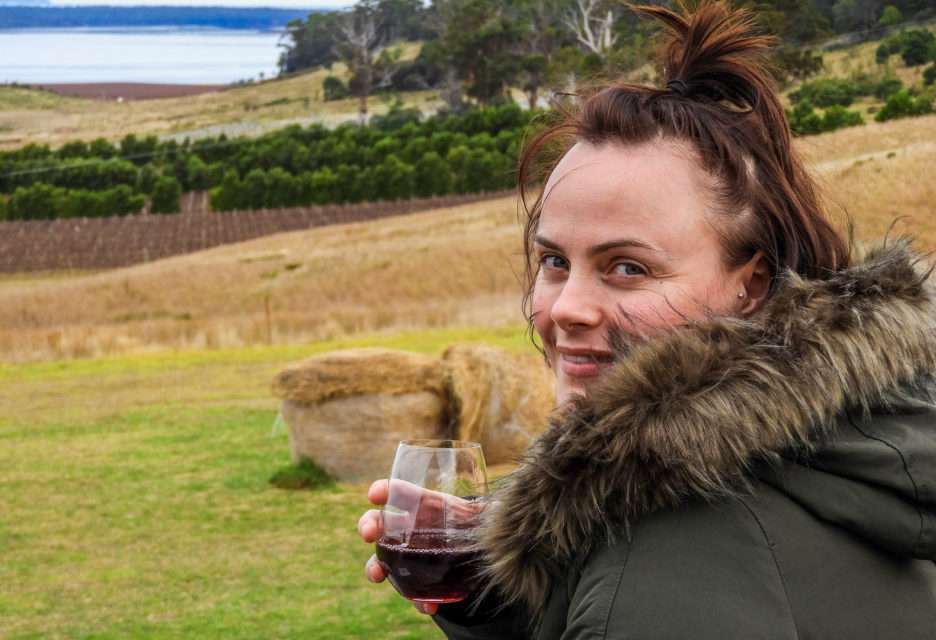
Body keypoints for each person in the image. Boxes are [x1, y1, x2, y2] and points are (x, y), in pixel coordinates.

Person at [358, 1, 936, 637]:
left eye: (627, 268)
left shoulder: (667, 542)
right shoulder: (858, 450)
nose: (566, 307)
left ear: (754, 283)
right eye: (553, 260)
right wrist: (503, 588)